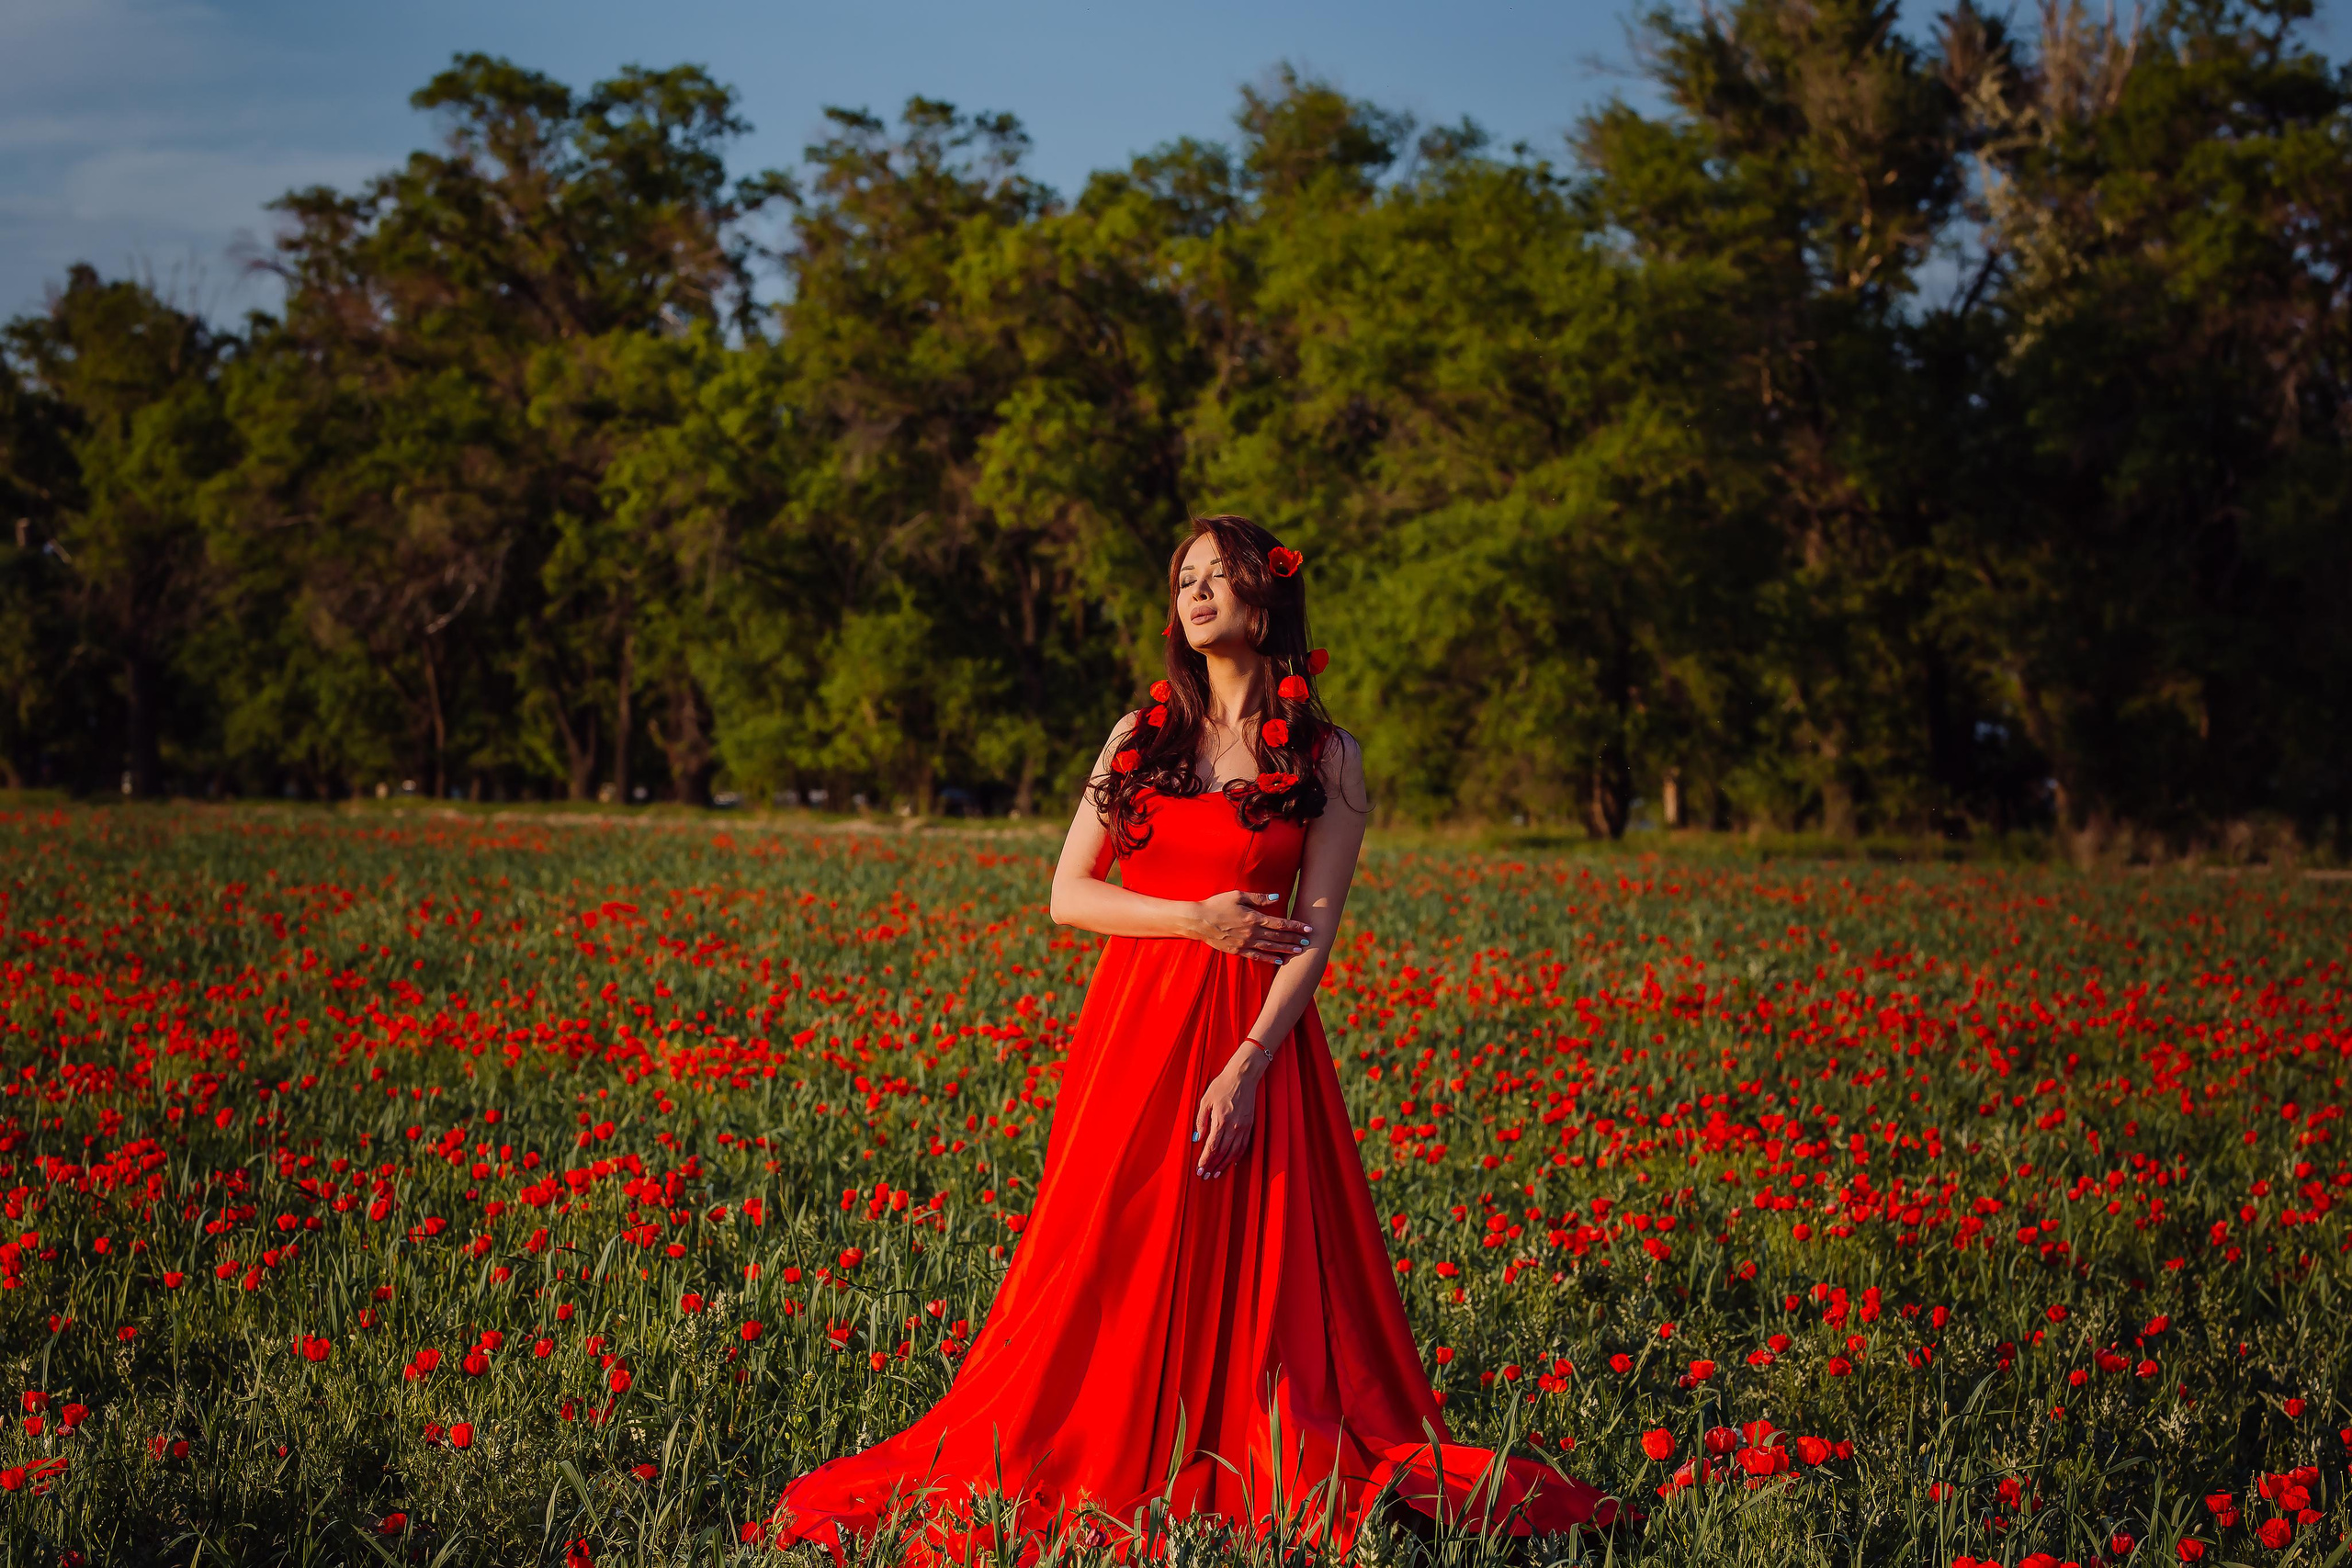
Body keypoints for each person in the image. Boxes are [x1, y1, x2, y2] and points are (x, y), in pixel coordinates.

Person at [769, 515, 1618, 1566]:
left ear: (1269, 599)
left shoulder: (1329, 757)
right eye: (1186, 580)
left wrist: (1250, 1061)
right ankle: (1104, 1441)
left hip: (1256, 1038)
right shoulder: (1138, 735)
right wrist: (1192, 920)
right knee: (1106, 1251)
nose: (1200, 593)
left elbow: (1313, 936)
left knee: (1251, 1265)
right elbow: (1066, 895)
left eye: (1222, 575)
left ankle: (1227, 1447)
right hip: (1132, 1028)